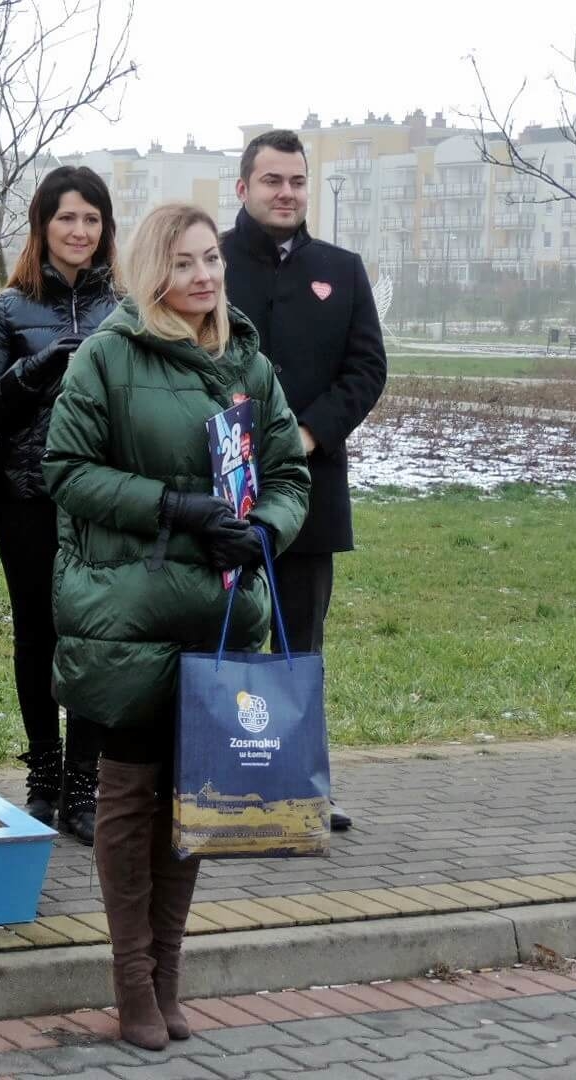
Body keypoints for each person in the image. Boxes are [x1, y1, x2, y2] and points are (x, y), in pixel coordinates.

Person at [42, 203, 309, 1051]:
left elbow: (290, 471)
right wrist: (178, 507)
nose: (204, 276)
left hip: (219, 613)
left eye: (212, 261)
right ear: (154, 269)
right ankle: (131, 986)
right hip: (127, 612)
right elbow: (67, 472)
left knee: (195, 800)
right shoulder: (106, 357)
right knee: (130, 798)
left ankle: (169, 977)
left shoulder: (247, 361)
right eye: (186, 263)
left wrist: (262, 527)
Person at [220, 129, 388, 833]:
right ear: (243, 188)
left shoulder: (342, 270)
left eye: (296, 181)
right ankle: (214, 777)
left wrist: (307, 434)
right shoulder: (208, 262)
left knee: (300, 645)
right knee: (217, 637)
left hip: (309, 496)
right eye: (271, 181)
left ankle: (300, 786)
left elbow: (366, 370)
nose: (285, 193)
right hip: (217, 489)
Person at [0, 166, 120, 840]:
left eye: (91, 219)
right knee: (37, 636)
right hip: (25, 495)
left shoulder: (128, 309)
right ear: (43, 226)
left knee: (93, 637)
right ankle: (44, 776)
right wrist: (37, 368)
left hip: (102, 500)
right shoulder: (8, 309)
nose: (79, 231)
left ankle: (85, 786)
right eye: (67, 218)